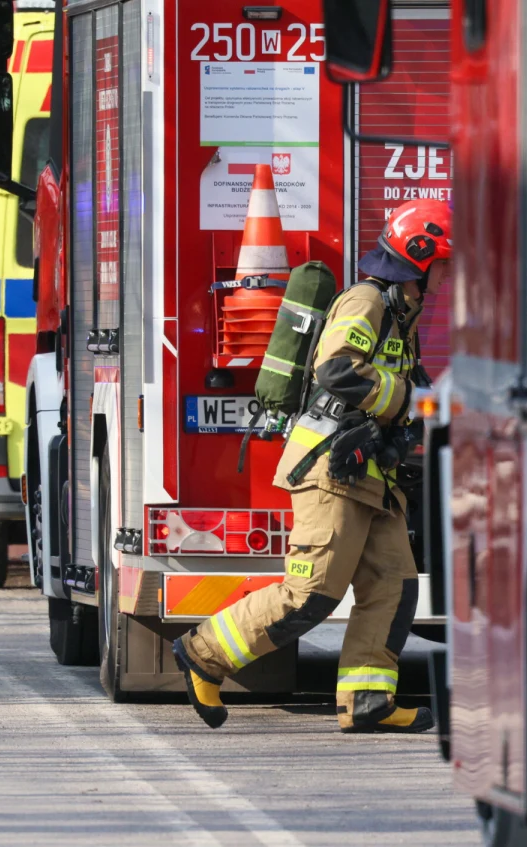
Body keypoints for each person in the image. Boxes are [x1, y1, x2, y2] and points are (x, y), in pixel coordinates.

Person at [173, 199, 453, 732]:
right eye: (443, 263)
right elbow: (336, 369)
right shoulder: (367, 301)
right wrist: (402, 400)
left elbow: (408, 383)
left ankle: (368, 701)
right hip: (333, 471)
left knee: (394, 585)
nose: (447, 277)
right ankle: (202, 655)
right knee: (311, 595)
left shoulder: (402, 313)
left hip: (373, 477)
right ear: (419, 257)